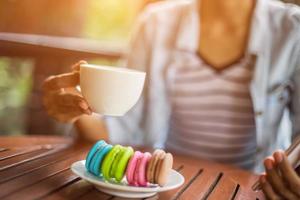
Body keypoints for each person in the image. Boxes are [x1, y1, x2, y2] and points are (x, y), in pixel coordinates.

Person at [42, 0, 300, 198]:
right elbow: (127, 127)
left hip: (250, 189)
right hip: (165, 187)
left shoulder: (292, 29)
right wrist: (75, 109)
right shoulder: (155, 23)